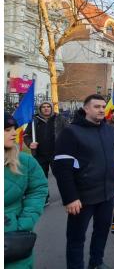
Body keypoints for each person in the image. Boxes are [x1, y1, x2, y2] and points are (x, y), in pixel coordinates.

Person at [52, 94, 114, 269]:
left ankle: (96, 262)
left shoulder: (109, 130)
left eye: (102, 106)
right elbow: (62, 167)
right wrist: (70, 197)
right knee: (76, 237)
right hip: (82, 197)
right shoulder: (71, 132)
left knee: (101, 232)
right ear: (85, 109)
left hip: (107, 193)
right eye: (96, 106)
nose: (101, 110)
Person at [4, 112, 48, 269]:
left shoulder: (25, 161)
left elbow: (38, 189)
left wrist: (24, 223)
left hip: (13, 235)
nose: (14, 132)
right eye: (7, 129)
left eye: (13, 128)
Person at [24, 101, 68, 205]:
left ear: (52, 108)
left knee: (62, 176)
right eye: (43, 107)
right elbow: (26, 134)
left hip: (56, 154)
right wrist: (30, 143)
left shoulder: (59, 118)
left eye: (48, 106)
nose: (46, 108)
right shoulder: (34, 120)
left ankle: (67, 197)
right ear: (40, 109)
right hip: (39, 154)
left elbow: (69, 132)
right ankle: (44, 198)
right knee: (41, 178)